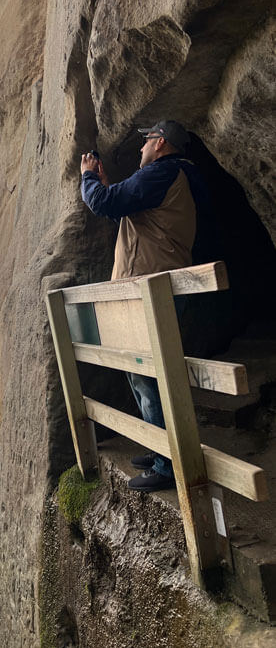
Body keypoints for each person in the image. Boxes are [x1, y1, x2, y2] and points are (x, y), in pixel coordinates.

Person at [80, 120, 215, 492]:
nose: (140, 149)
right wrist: (107, 186)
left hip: (150, 287)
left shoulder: (162, 173)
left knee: (146, 373)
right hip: (153, 285)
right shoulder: (174, 178)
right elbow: (132, 211)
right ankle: (160, 448)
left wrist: (88, 177)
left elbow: (103, 204)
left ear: (160, 143)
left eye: (145, 143)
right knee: (142, 371)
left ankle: (167, 463)